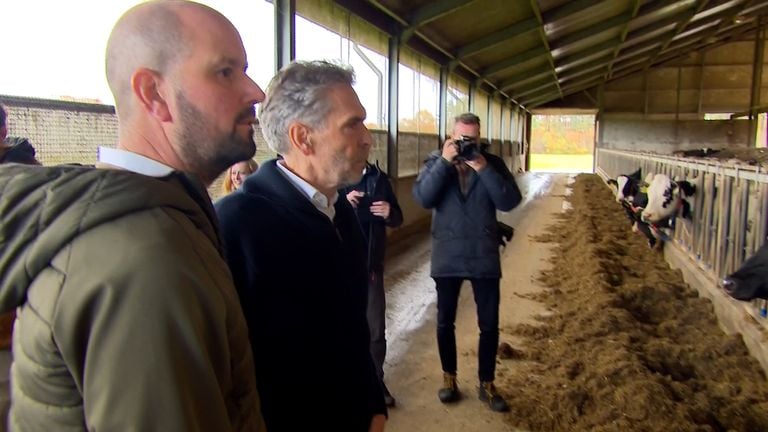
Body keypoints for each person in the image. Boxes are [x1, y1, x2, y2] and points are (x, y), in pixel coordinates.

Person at [0, 1, 267, 430]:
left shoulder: (156, 218)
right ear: (154, 95)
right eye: (225, 72)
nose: (256, 92)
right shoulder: (144, 259)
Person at [215, 60, 387, 431]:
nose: (367, 137)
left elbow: (352, 328)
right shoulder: (235, 225)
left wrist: (373, 404)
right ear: (302, 137)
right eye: (352, 124)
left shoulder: (338, 210)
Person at [412, 112, 522, 413]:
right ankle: (449, 378)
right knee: (445, 321)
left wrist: (482, 166)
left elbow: (510, 201)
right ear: (450, 135)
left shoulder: (493, 164)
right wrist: (445, 162)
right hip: (447, 255)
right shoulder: (436, 161)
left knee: (489, 324)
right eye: (460, 139)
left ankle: (487, 383)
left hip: (483, 254)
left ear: (479, 137)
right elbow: (423, 198)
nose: (465, 144)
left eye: (471, 140)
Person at [341, 161, 403, 407]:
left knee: (375, 330)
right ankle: (348, 384)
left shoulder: (379, 179)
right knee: (343, 329)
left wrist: (389, 212)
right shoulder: (332, 177)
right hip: (340, 266)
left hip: (371, 268)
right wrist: (342, 202)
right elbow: (315, 213)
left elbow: (398, 218)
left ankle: (376, 381)